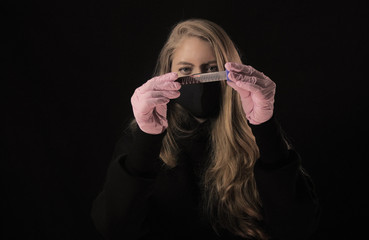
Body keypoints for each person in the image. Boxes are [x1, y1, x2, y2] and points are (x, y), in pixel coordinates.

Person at [91, 18, 320, 240]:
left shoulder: (259, 137)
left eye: (212, 68)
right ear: (168, 74)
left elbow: (298, 227)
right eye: (186, 70)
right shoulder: (141, 140)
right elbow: (114, 229)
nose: (199, 80)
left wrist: (265, 126)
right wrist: (147, 139)